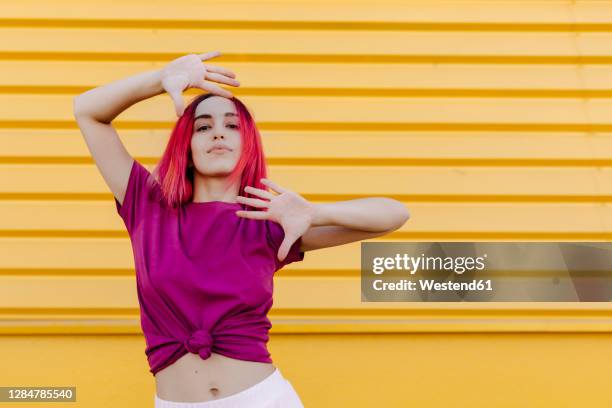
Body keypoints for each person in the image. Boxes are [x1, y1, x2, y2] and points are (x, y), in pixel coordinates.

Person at [73, 51, 410, 407]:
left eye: (232, 125)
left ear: (248, 143)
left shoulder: (266, 221)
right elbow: (88, 112)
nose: (218, 133)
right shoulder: (147, 206)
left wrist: (316, 212)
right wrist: (160, 79)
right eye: (203, 126)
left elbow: (394, 214)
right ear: (186, 145)